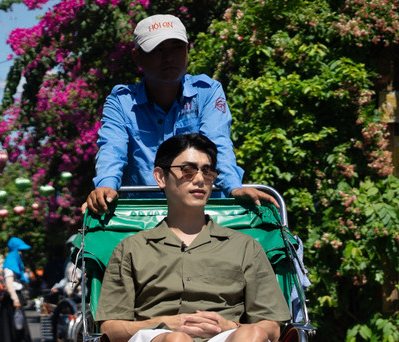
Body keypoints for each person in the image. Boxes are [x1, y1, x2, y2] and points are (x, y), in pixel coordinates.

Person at [96, 133, 290, 342]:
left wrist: (231, 325)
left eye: (208, 170)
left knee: (255, 332)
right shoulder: (131, 249)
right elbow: (111, 330)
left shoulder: (245, 246)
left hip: (224, 341)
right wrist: (167, 324)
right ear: (160, 177)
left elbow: (273, 328)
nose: (199, 178)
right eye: (187, 170)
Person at [85, 14, 277, 215]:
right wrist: (106, 187)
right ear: (137, 57)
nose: (168, 57)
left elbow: (218, 143)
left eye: (177, 47)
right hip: (144, 217)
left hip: (205, 213)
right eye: (157, 49)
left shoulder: (207, 92)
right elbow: (112, 149)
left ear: (187, 50)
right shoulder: (121, 102)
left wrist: (233, 187)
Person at [0, 236, 36, 342]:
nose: (21, 253)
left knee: (7, 326)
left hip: (10, 298)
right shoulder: (11, 262)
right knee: (19, 325)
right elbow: (9, 282)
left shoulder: (12, 260)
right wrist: (15, 299)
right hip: (12, 298)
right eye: (20, 250)